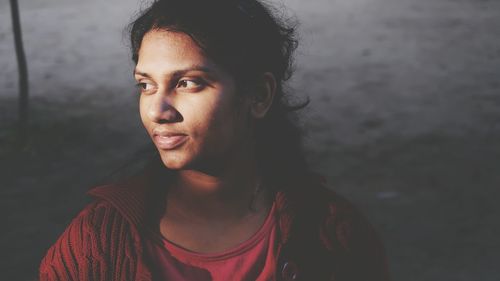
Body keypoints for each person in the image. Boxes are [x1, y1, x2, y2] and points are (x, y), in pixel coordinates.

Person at [39, 0, 390, 280]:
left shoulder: (332, 237)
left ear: (259, 96)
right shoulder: (95, 245)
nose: (158, 110)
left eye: (188, 83)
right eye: (146, 85)